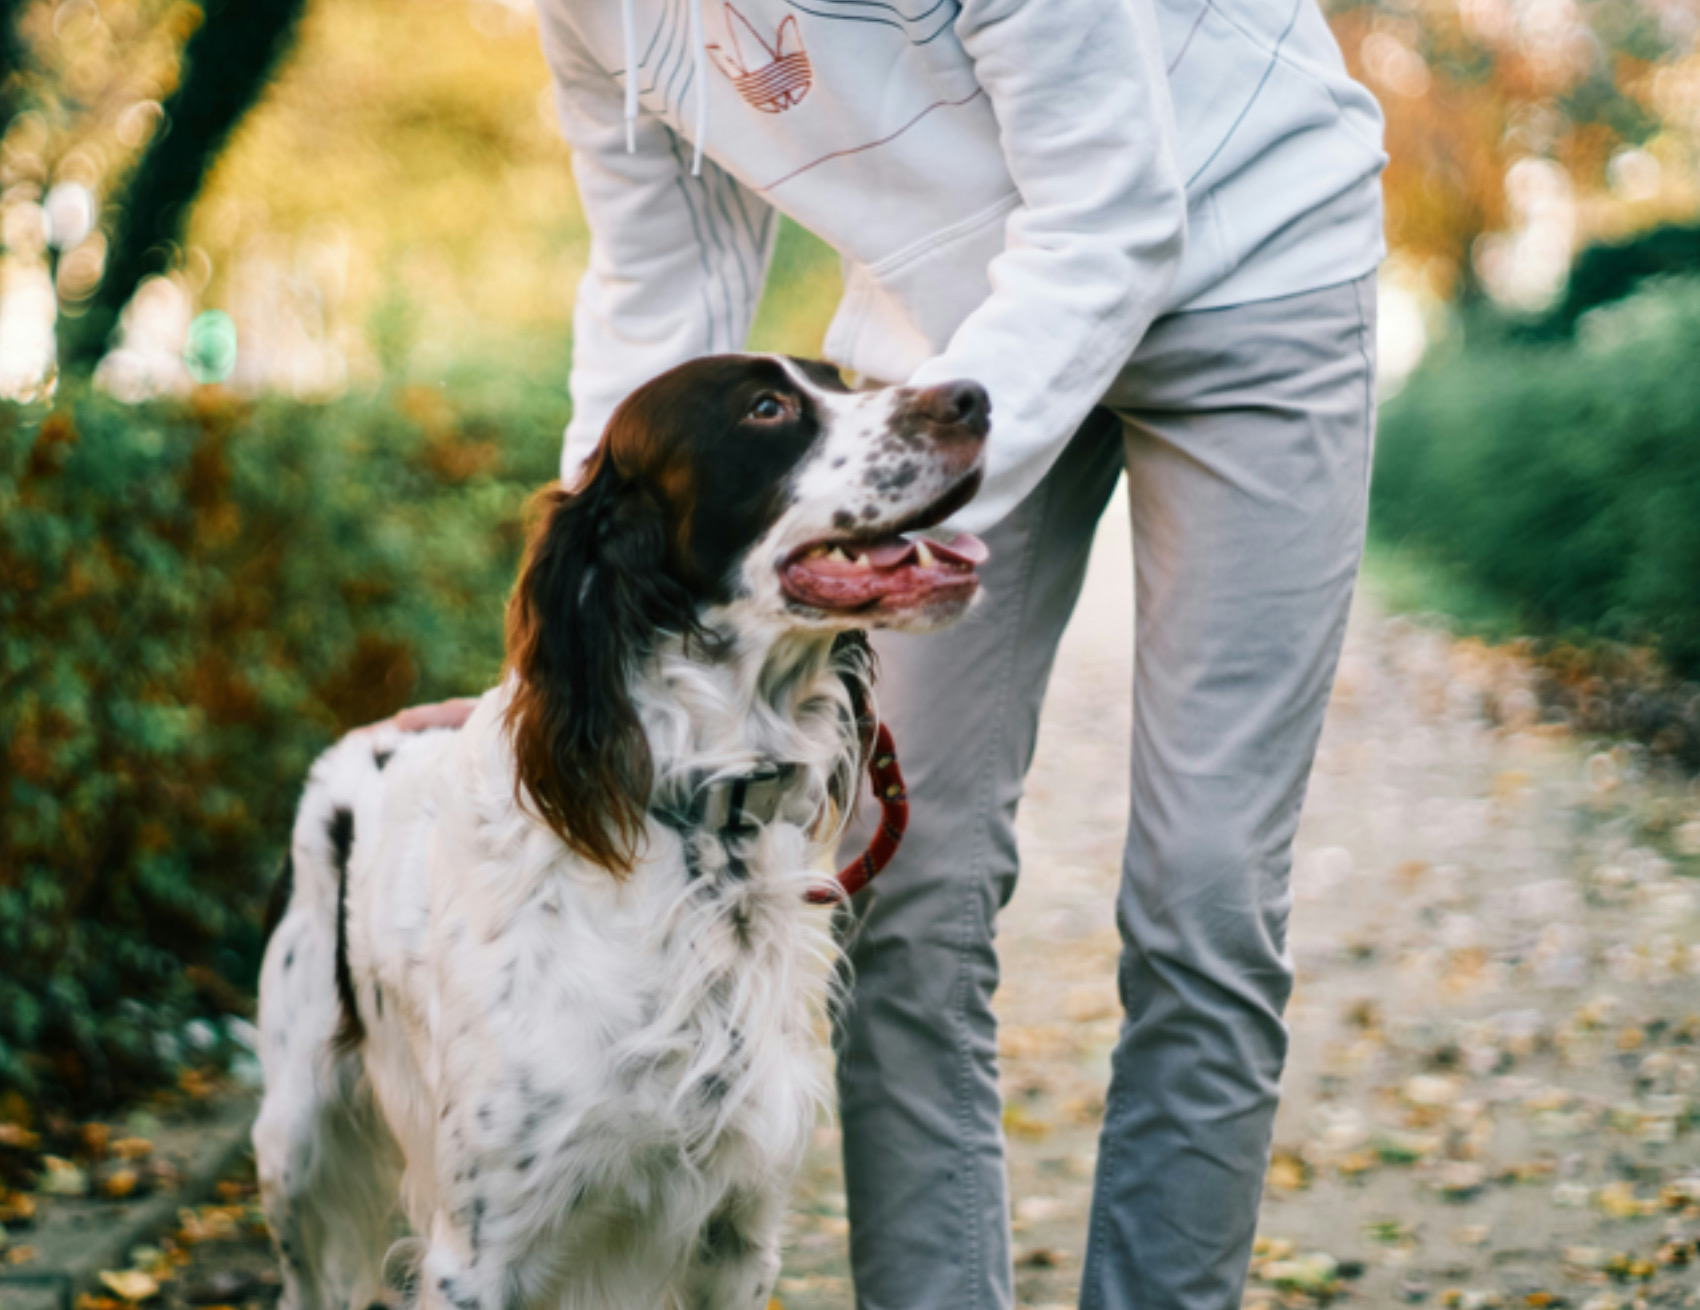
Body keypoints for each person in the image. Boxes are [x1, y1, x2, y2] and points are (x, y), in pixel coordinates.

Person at [420, 0, 1385, 1305]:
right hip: (950, 310)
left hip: (1251, 255)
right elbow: (662, 300)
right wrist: (574, 651)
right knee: (898, 885)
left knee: (1204, 893)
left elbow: (1110, 217)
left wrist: (881, 512)